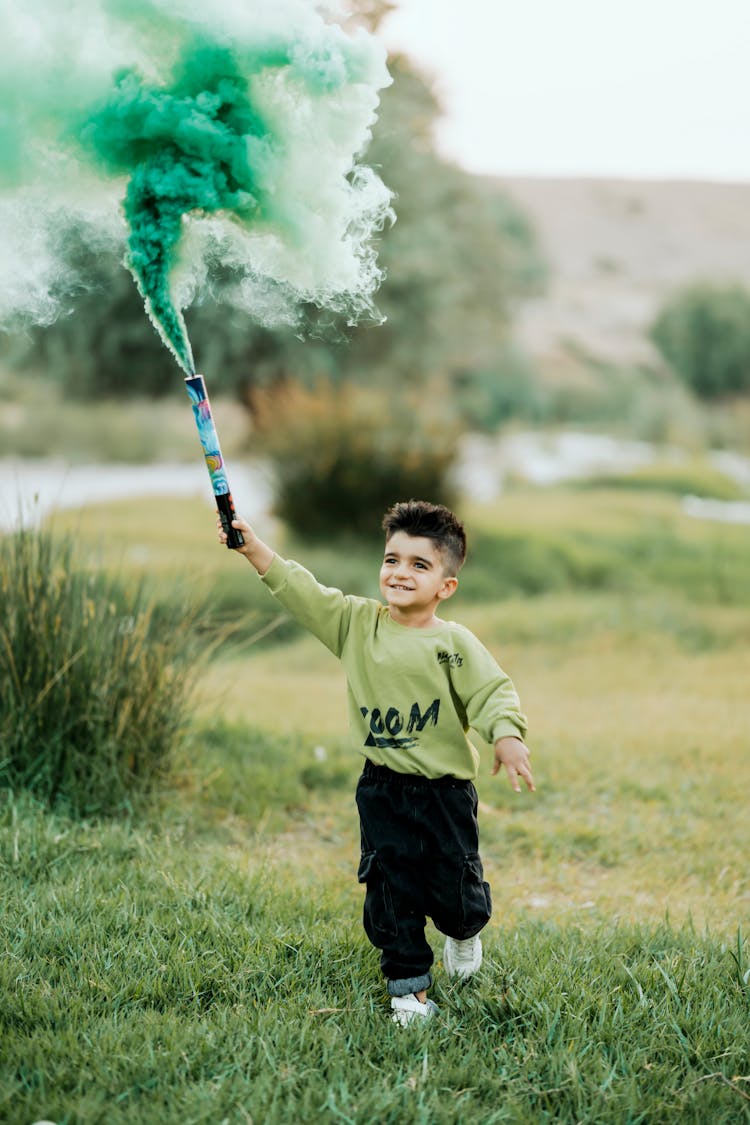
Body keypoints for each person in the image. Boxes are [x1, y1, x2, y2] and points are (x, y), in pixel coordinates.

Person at [218, 499, 534, 1025]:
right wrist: (253, 548)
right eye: (392, 559)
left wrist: (506, 736)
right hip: (382, 788)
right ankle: (409, 992)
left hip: (445, 794)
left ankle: (464, 932)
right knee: (389, 888)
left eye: (419, 564)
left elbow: (492, 693)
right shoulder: (356, 625)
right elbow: (303, 593)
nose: (400, 572)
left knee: (455, 893)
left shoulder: (454, 644)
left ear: (445, 586)